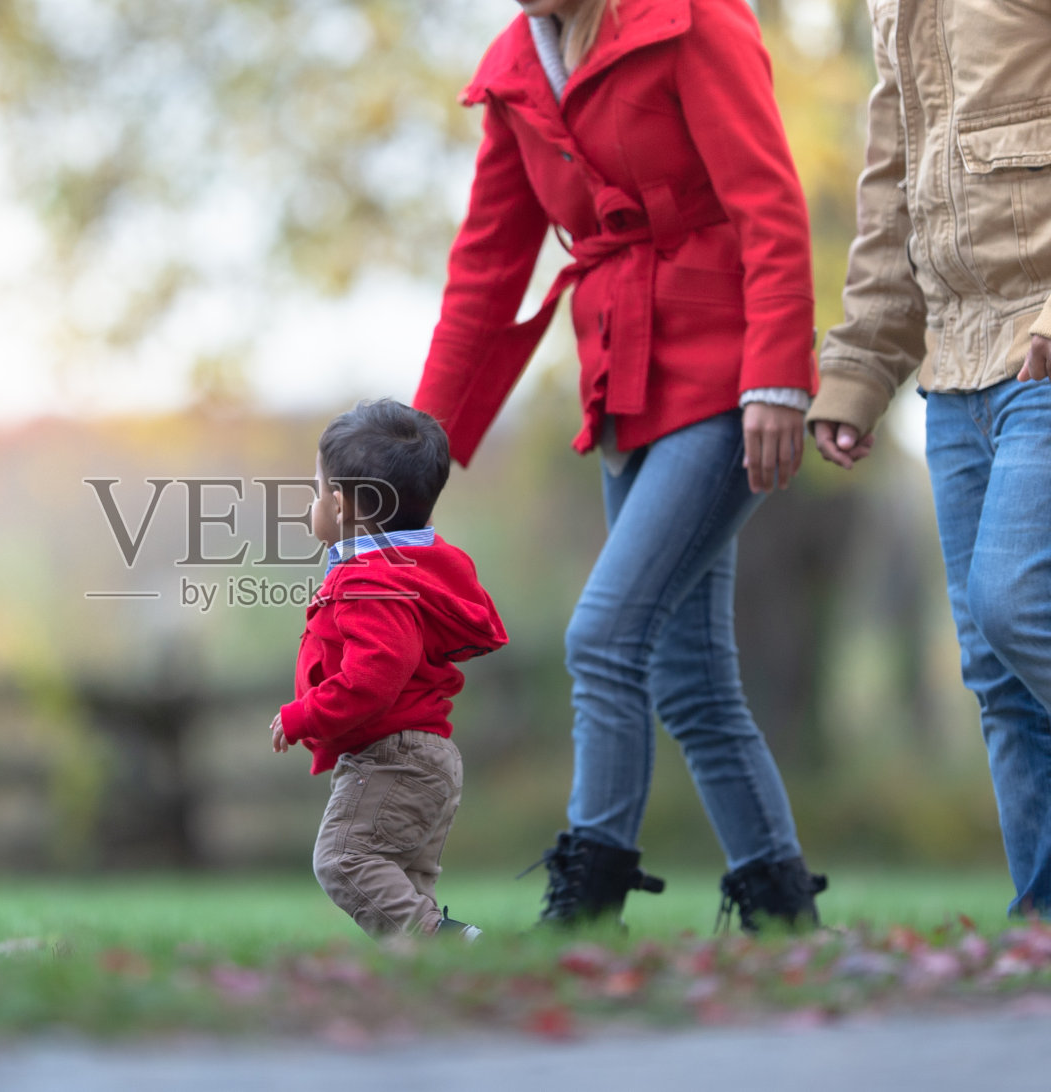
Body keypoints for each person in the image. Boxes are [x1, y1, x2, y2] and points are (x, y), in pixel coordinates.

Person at [413, 0, 827, 931]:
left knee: (604, 635)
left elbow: (767, 200)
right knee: (692, 679)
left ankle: (589, 901)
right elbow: (486, 269)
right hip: (622, 383)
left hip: (726, 375)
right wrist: (415, 446)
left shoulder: (691, 19)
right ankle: (782, 915)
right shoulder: (518, 66)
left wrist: (777, 375)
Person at [807, 2, 1051, 916]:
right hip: (954, 368)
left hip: (1041, 345)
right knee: (995, 670)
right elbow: (890, 190)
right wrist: (861, 367)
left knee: (1017, 603)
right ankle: (1040, 923)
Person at [269, 398, 508, 939]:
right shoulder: (411, 566)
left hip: (391, 758)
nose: (313, 502)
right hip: (421, 755)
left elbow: (374, 676)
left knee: (343, 859)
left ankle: (450, 942)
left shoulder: (373, 580)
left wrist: (305, 714)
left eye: (316, 490)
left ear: (339, 505)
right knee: (404, 888)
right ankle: (434, 968)